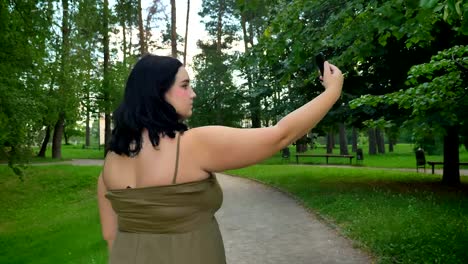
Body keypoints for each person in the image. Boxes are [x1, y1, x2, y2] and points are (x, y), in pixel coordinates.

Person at [97, 54, 343, 264]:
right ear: (158, 93)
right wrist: (333, 91)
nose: (193, 93)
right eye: (184, 85)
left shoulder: (111, 158)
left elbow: (110, 235)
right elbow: (280, 135)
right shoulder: (193, 144)